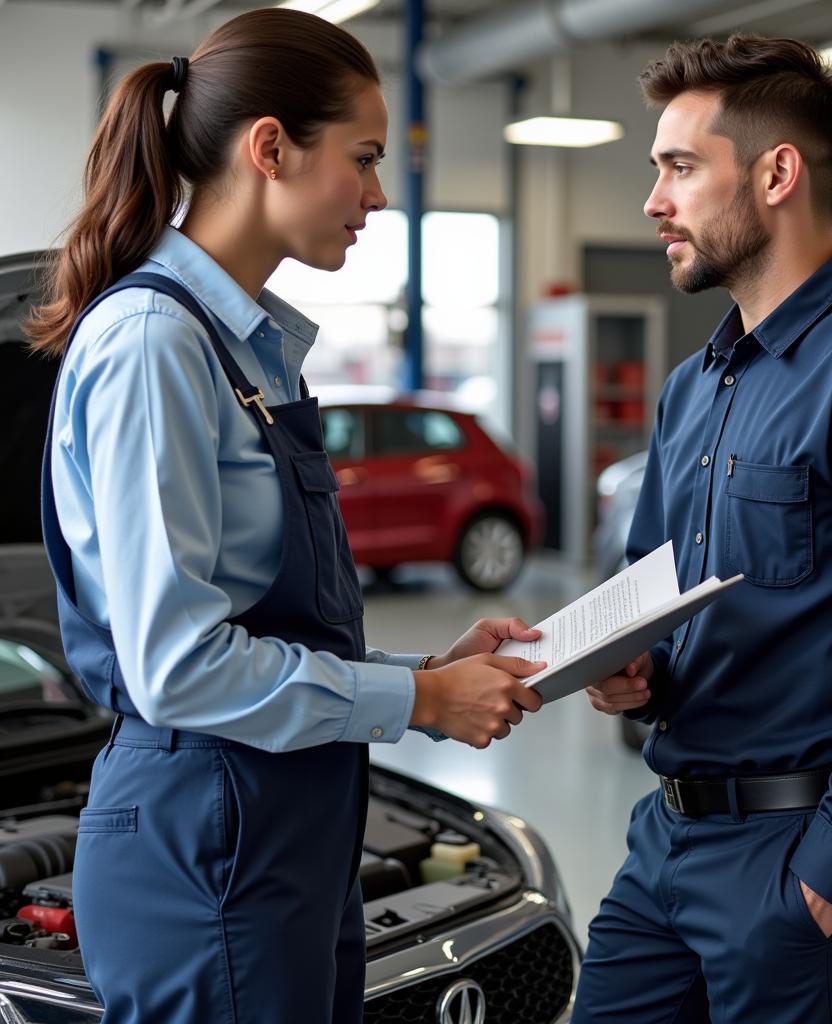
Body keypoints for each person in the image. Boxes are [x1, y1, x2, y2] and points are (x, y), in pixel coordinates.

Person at [26, 9, 545, 1023]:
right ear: (270, 147)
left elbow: (268, 631)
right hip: (208, 838)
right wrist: (422, 706)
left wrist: (425, 672)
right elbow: (180, 665)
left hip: (286, 824)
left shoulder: (248, 350)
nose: (379, 193)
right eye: (362, 158)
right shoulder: (152, 345)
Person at [575, 35, 832, 1024]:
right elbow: (658, 593)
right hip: (667, 841)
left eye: (679, 168)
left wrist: (827, 871)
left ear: (776, 173)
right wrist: (630, 667)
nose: (653, 201)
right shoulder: (694, 389)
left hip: (798, 855)